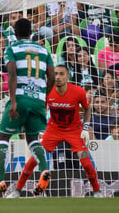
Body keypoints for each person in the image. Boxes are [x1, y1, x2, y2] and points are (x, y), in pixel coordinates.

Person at [8, 65, 102, 198]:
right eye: (55, 74)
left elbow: (87, 108)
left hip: (74, 130)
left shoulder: (78, 92)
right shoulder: (47, 91)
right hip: (53, 130)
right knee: (33, 159)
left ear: (68, 76)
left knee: (86, 162)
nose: (58, 77)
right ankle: (17, 191)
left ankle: (97, 192)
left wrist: (85, 128)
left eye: (61, 74)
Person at [0, 18, 55, 197]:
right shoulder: (44, 50)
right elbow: (52, 77)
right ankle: (43, 170)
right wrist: (44, 98)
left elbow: (11, 73)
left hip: (19, 98)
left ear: (15, 33)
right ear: (31, 31)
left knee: (3, 137)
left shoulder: (12, 49)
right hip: (38, 100)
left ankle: (0, 181)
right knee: (33, 139)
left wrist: (13, 101)